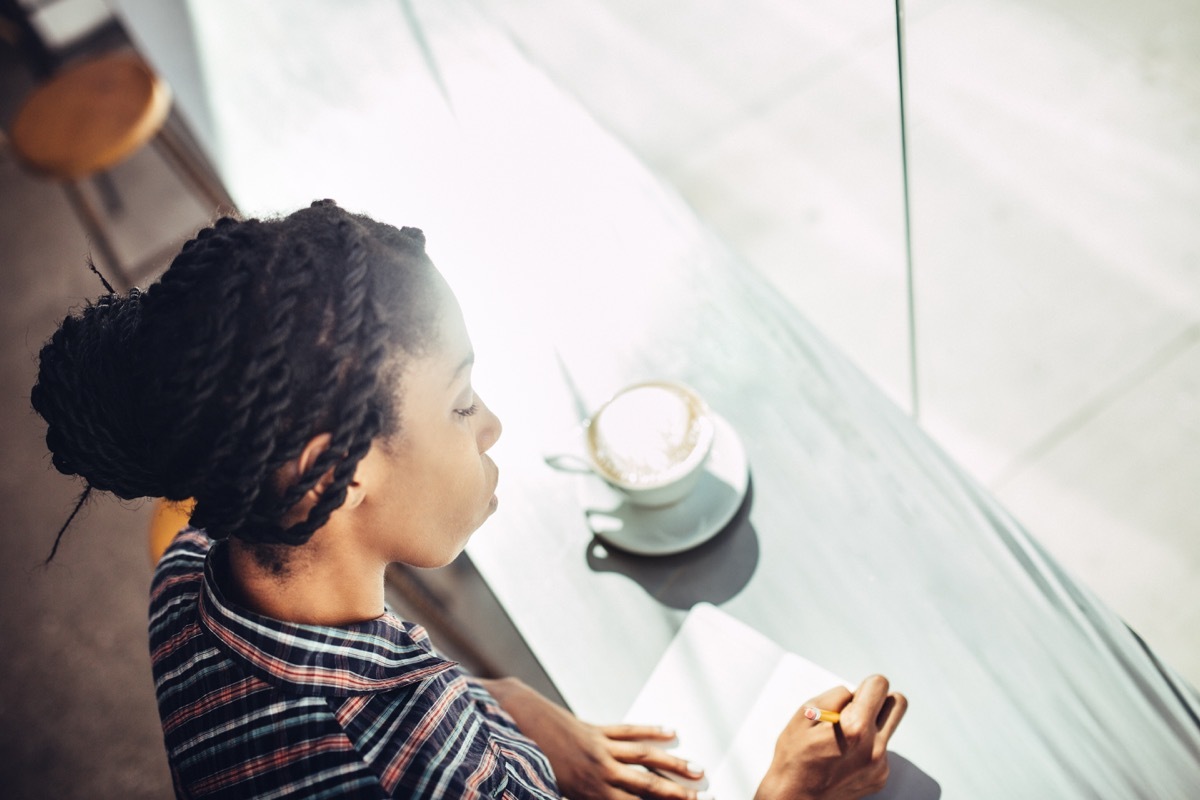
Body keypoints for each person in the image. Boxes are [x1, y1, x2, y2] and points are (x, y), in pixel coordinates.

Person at [31, 201, 906, 799]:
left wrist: (502, 705)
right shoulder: (452, 777)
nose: (492, 425)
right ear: (324, 472)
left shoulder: (187, 578)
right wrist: (788, 786)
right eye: (459, 402)